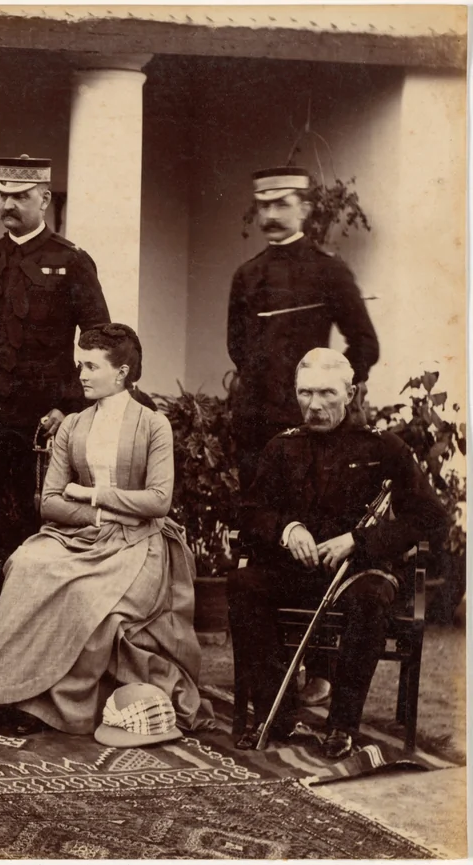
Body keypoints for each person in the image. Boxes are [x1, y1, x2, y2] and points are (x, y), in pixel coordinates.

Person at [0, 324, 209, 737]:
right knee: (25, 565)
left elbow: (157, 501)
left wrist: (91, 493)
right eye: (80, 364)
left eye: (91, 366)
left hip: (138, 544)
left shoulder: (153, 425)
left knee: (87, 597)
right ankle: (8, 694)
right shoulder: (74, 426)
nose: (81, 374)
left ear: (122, 372)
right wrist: (97, 515)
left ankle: (49, 705)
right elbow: (49, 502)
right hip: (81, 535)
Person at [228, 348, 446, 758]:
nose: (314, 405)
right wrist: (286, 530)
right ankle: (278, 714)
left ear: (350, 392)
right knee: (243, 582)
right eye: (305, 393)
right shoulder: (281, 448)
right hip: (296, 571)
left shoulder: (385, 448)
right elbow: (251, 511)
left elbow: (431, 518)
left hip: (358, 574)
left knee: (371, 598)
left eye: (327, 393)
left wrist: (359, 542)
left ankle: (342, 725)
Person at [227, 168, 380, 708]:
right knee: (268, 537)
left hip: (320, 433)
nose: (270, 216)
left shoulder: (329, 272)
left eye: (283, 205)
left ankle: (319, 668)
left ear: (305, 208)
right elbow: (238, 348)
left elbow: (364, 342)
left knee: (319, 537)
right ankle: (272, 677)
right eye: (263, 206)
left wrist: (338, 396)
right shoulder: (247, 275)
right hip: (261, 430)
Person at [0, 154, 111, 648]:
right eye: (3, 195)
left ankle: (32, 634)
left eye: (20, 197)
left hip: (42, 427)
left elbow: (100, 338)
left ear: (44, 199)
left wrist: (68, 407)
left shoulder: (72, 261)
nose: (9, 205)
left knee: (34, 523)